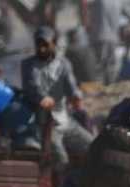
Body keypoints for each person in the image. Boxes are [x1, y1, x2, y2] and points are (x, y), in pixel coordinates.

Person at [21, 26, 94, 172]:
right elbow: (32, 88)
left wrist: (76, 97)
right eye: (38, 44)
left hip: (65, 120)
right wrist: (42, 98)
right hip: (44, 124)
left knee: (93, 146)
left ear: (54, 44)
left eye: (45, 45)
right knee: (61, 160)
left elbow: (71, 86)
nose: (41, 49)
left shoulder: (63, 64)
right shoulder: (29, 65)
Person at [81, 0, 124, 84]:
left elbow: (86, 9)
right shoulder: (117, 2)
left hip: (99, 36)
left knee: (99, 64)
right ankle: (110, 84)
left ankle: (100, 86)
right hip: (113, 37)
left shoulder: (99, 2)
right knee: (110, 65)